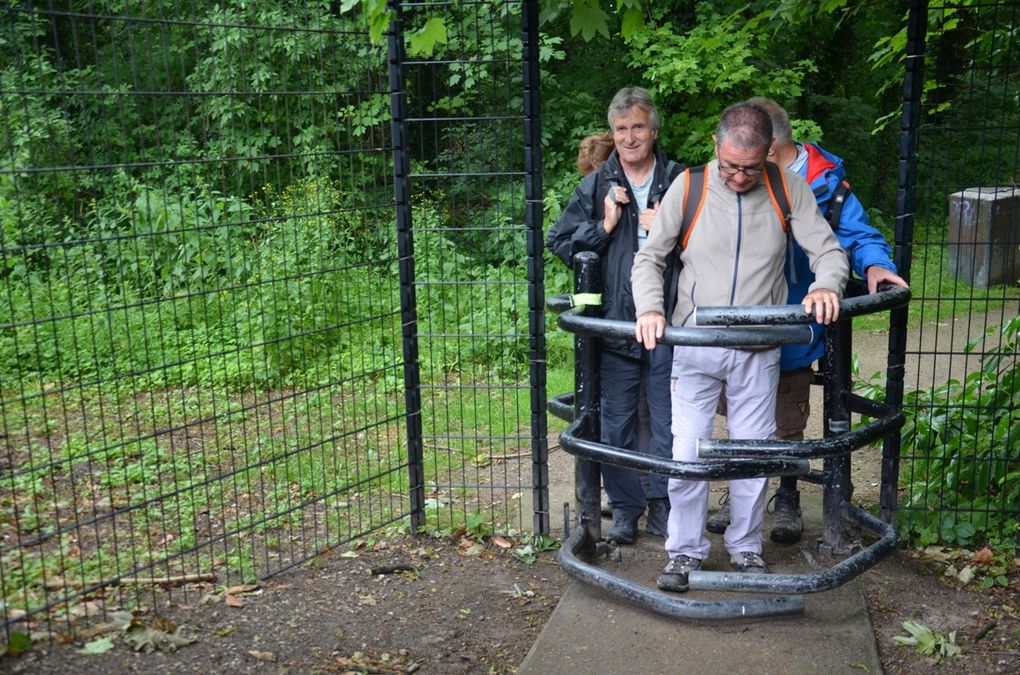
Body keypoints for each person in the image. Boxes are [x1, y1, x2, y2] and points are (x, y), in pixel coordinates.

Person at [631, 101, 849, 592]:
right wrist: (649, 308)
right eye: (729, 165)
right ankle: (684, 553)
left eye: (750, 167)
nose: (738, 176)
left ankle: (746, 549)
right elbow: (651, 260)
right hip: (695, 344)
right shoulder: (688, 187)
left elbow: (829, 251)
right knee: (688, 453)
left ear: (769, 153)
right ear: (715, 146)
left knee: (753, 453)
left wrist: (826, 285)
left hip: (758, 348)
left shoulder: (786, 187)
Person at [705, 97, 909, 543]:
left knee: (788, 419)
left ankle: (788, 496)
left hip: (795, 332)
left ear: (772, 147)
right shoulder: (734, 175)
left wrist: (874, 265)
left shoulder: (825, 188)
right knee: (739, 415)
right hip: (741, 326)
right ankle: (741, 497)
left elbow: (856, 235)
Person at [546, 87, 684, 544]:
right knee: (615, 423)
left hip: (670, 326)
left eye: (638, 127)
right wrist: (603, 227)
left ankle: (664, 506)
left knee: (669, 422)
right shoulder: (596, 185)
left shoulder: (682, 180)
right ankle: (626, 510)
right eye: (621, 129)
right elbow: (562, 243)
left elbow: (712, 248)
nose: (629, 137)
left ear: (654, 130)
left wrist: (672, 230)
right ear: (613, 132)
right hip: (615, 326)